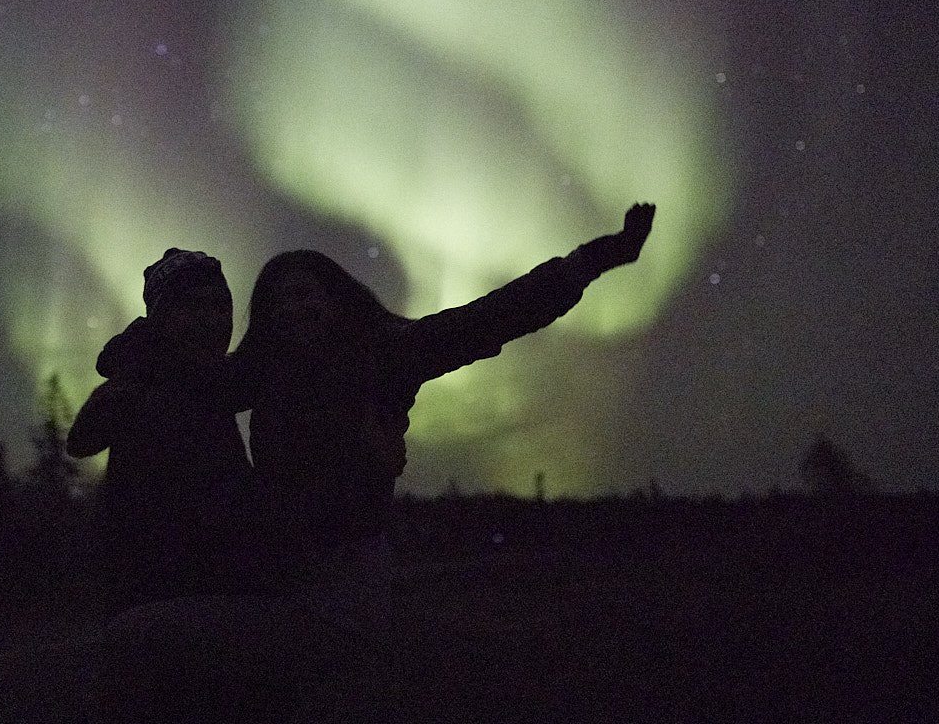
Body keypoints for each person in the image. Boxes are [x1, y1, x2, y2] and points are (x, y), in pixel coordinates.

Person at [96, 203, 657, 720]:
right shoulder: (264, 371)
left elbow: (493, 317)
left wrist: (593, 260)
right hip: (269, 573)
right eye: (279, 301)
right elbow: (166, 384)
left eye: (307, 293)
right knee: (148, 642)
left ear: (338, 298)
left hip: (335, 590)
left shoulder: (384, 354)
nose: (294, 308)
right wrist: (132, 348)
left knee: (138, 644)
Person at [66, 248, 259, 615]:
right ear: (160, 318)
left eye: (220, 307)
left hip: (219, 594)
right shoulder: (138, 389)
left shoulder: (216, 380)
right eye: (190, 306)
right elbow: (83, 439)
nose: (211, 320)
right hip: (156, 604)